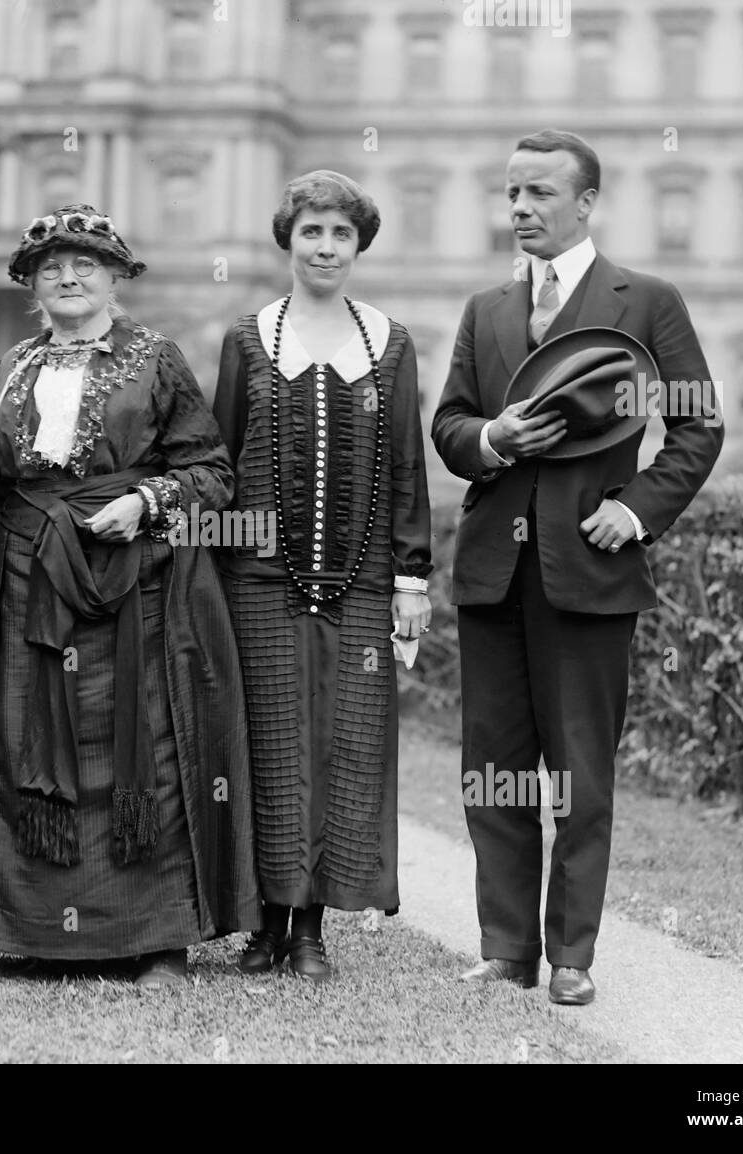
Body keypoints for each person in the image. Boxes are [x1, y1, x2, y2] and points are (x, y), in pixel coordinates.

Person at [431, 129, 723, 1005]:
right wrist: (490, 438)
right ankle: (507, 949)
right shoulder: (485, 309)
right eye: (511, 193)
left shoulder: (648, 300)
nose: (520, 208)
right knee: (494, 769)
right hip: (493, 577)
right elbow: (449, 425)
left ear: (587, 202)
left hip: (590, 576)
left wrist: (634, 509)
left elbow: (698, 426)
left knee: (581, 778)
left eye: (539, 195)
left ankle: (571, 958)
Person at [0, 205, 260, 987]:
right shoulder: (11, 366)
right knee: (27, 747)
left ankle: (155, 942)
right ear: (31, 285)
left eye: (85, 264)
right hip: (26, 580)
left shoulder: (157, 360)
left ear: (115, 277)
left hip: (137, 581)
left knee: (141, 750)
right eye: (51, 267)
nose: (68, 276)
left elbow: (213, 472)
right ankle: (40, 937)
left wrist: (145, 503)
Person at [213, 171, 433, 981]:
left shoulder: (390, 341)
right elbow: (222, 461)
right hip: (260, 580)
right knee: (267, 743)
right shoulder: (249, 338)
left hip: (364, 582)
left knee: (344, 748)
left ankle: (313, 929)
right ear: (289, 240)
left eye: (341, 234)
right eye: (313, 232)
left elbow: (405, 464)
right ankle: (265, 924)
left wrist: (412, 578)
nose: (326, 247)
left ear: (358, 244)